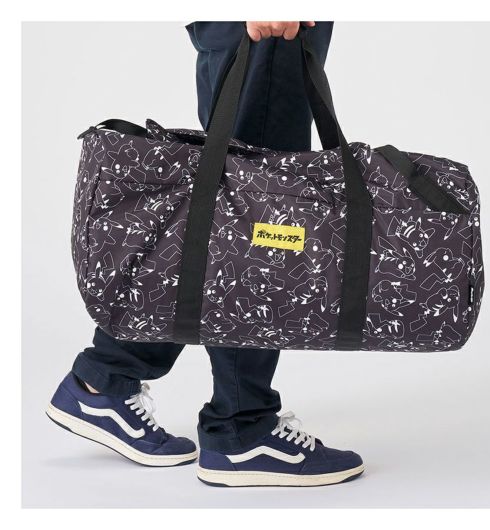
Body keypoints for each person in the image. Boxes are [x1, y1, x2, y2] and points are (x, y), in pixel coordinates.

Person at [47, 21, 364, 487]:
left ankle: (104, 380)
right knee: (259, 229)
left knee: (231, 215)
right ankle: (242, 431)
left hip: (246, 29)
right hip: (269, 30)